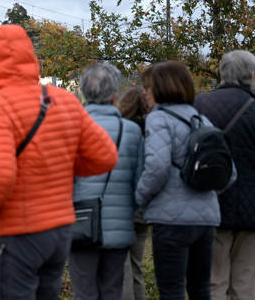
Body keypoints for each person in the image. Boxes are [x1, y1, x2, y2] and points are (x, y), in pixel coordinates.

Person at [0, 25, 118, 299]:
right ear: (29, 57)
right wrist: (59, 165)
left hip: (17, 236)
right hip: (58, 234)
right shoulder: (63, 100)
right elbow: (105, 156)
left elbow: (0, 176)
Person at [193, 50, 255, 300]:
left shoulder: (199, 106)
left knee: (214, 283)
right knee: (246, 286)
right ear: (252, 76)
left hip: (211, 205)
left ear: (221, 73)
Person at [135, 61, 230, 300]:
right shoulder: (202, 120)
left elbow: (157, 167)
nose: (145, 93)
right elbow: (230, 174)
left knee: (172, 291)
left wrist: (139, 198)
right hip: (206, 220)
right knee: (200, 290)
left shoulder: (158, 119)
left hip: (170, 220)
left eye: (148, 88)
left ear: (160, 89)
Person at [70, 63, 145, 300]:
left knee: (84, 292)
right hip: (120, 226)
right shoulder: (131, 131)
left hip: (79, 225)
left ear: (83, 93)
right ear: (115, 95)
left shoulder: (71, 128)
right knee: (113, 290)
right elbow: (139, 181)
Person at [119, 87, 151, 300]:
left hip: (122, 206)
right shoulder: (151, 129)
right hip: (143, 208)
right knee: (137, 266)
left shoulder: (122, 131)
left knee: (123, 267)